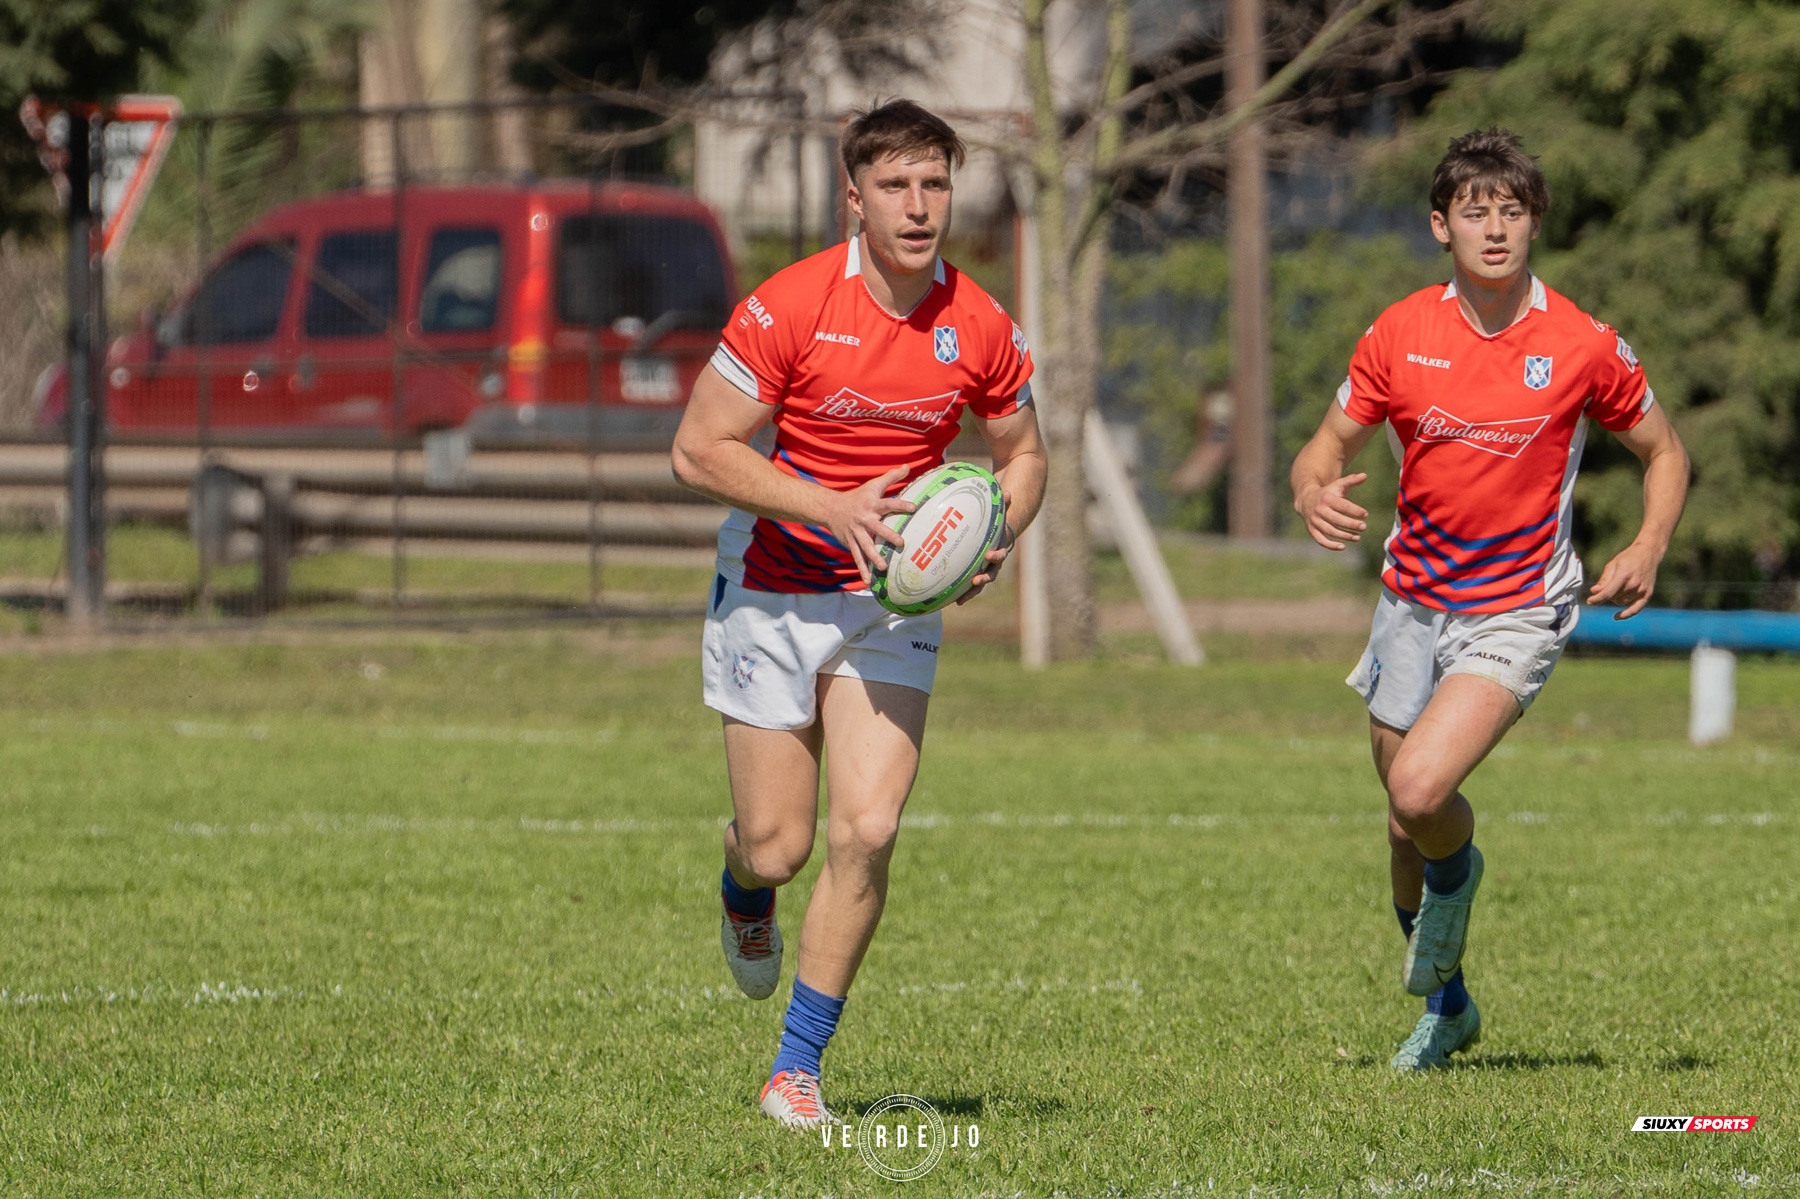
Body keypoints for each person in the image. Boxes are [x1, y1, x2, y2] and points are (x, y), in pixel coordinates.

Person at [671, 99, 1048, 1125]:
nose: (918, 206)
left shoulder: (980, 323)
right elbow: (698, 447)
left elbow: (1023, 455)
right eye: (895, 186)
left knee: (869, 826)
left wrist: (993, 535)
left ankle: (796, 1070)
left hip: (890, 603)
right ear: (855, 197)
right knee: (780, 844)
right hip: (771, 585)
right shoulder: (789, 305)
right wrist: (831, 505)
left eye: (934, 184)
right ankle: (744, 888)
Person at [1288, 128, 1689, 1070]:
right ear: (1442, 226)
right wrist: (1311, 488)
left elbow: (1664, 450)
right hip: (1410, 602)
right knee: (1400, 820)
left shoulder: (1582, 344)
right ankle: (1453, 1009)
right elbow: (1324, 446)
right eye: (1476, 212)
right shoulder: (1399, 333)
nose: (1495, 228)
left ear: (1535, 224)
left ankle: (1459, 877)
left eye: (1512, 211)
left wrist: (1648, 542)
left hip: (1517, 608)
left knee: (1424, 790)